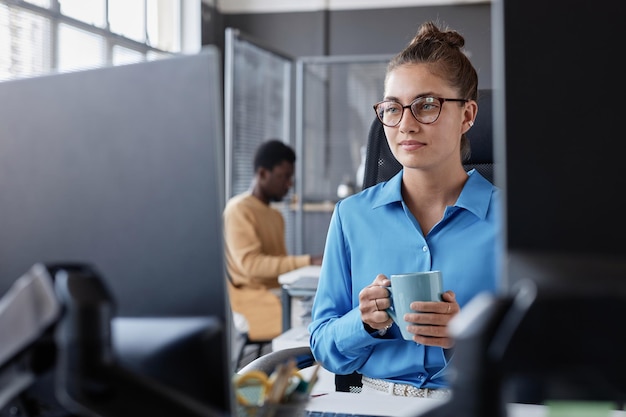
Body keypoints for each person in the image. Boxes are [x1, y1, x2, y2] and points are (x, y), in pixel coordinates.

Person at [308, 21, 501, 398]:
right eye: (393, 108)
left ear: (467, 115)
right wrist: (361, 323)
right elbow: (322, 345)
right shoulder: (352, 216)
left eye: (426, 105)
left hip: (470, 403)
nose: (406, 125)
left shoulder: (511, 221)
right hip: (374, 402)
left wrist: (464, 340)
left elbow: (546, 352)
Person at [224, 139, 323, 341]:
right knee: (319, 318)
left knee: (326, 307)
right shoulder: (238, 210)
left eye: (291, 178)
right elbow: (253, 266)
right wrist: (308, 261)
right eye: (284, 177)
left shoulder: (275, 215)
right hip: (253, 305)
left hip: (280, 296)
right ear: (262, 174)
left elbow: (278, 268)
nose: (289, 184)